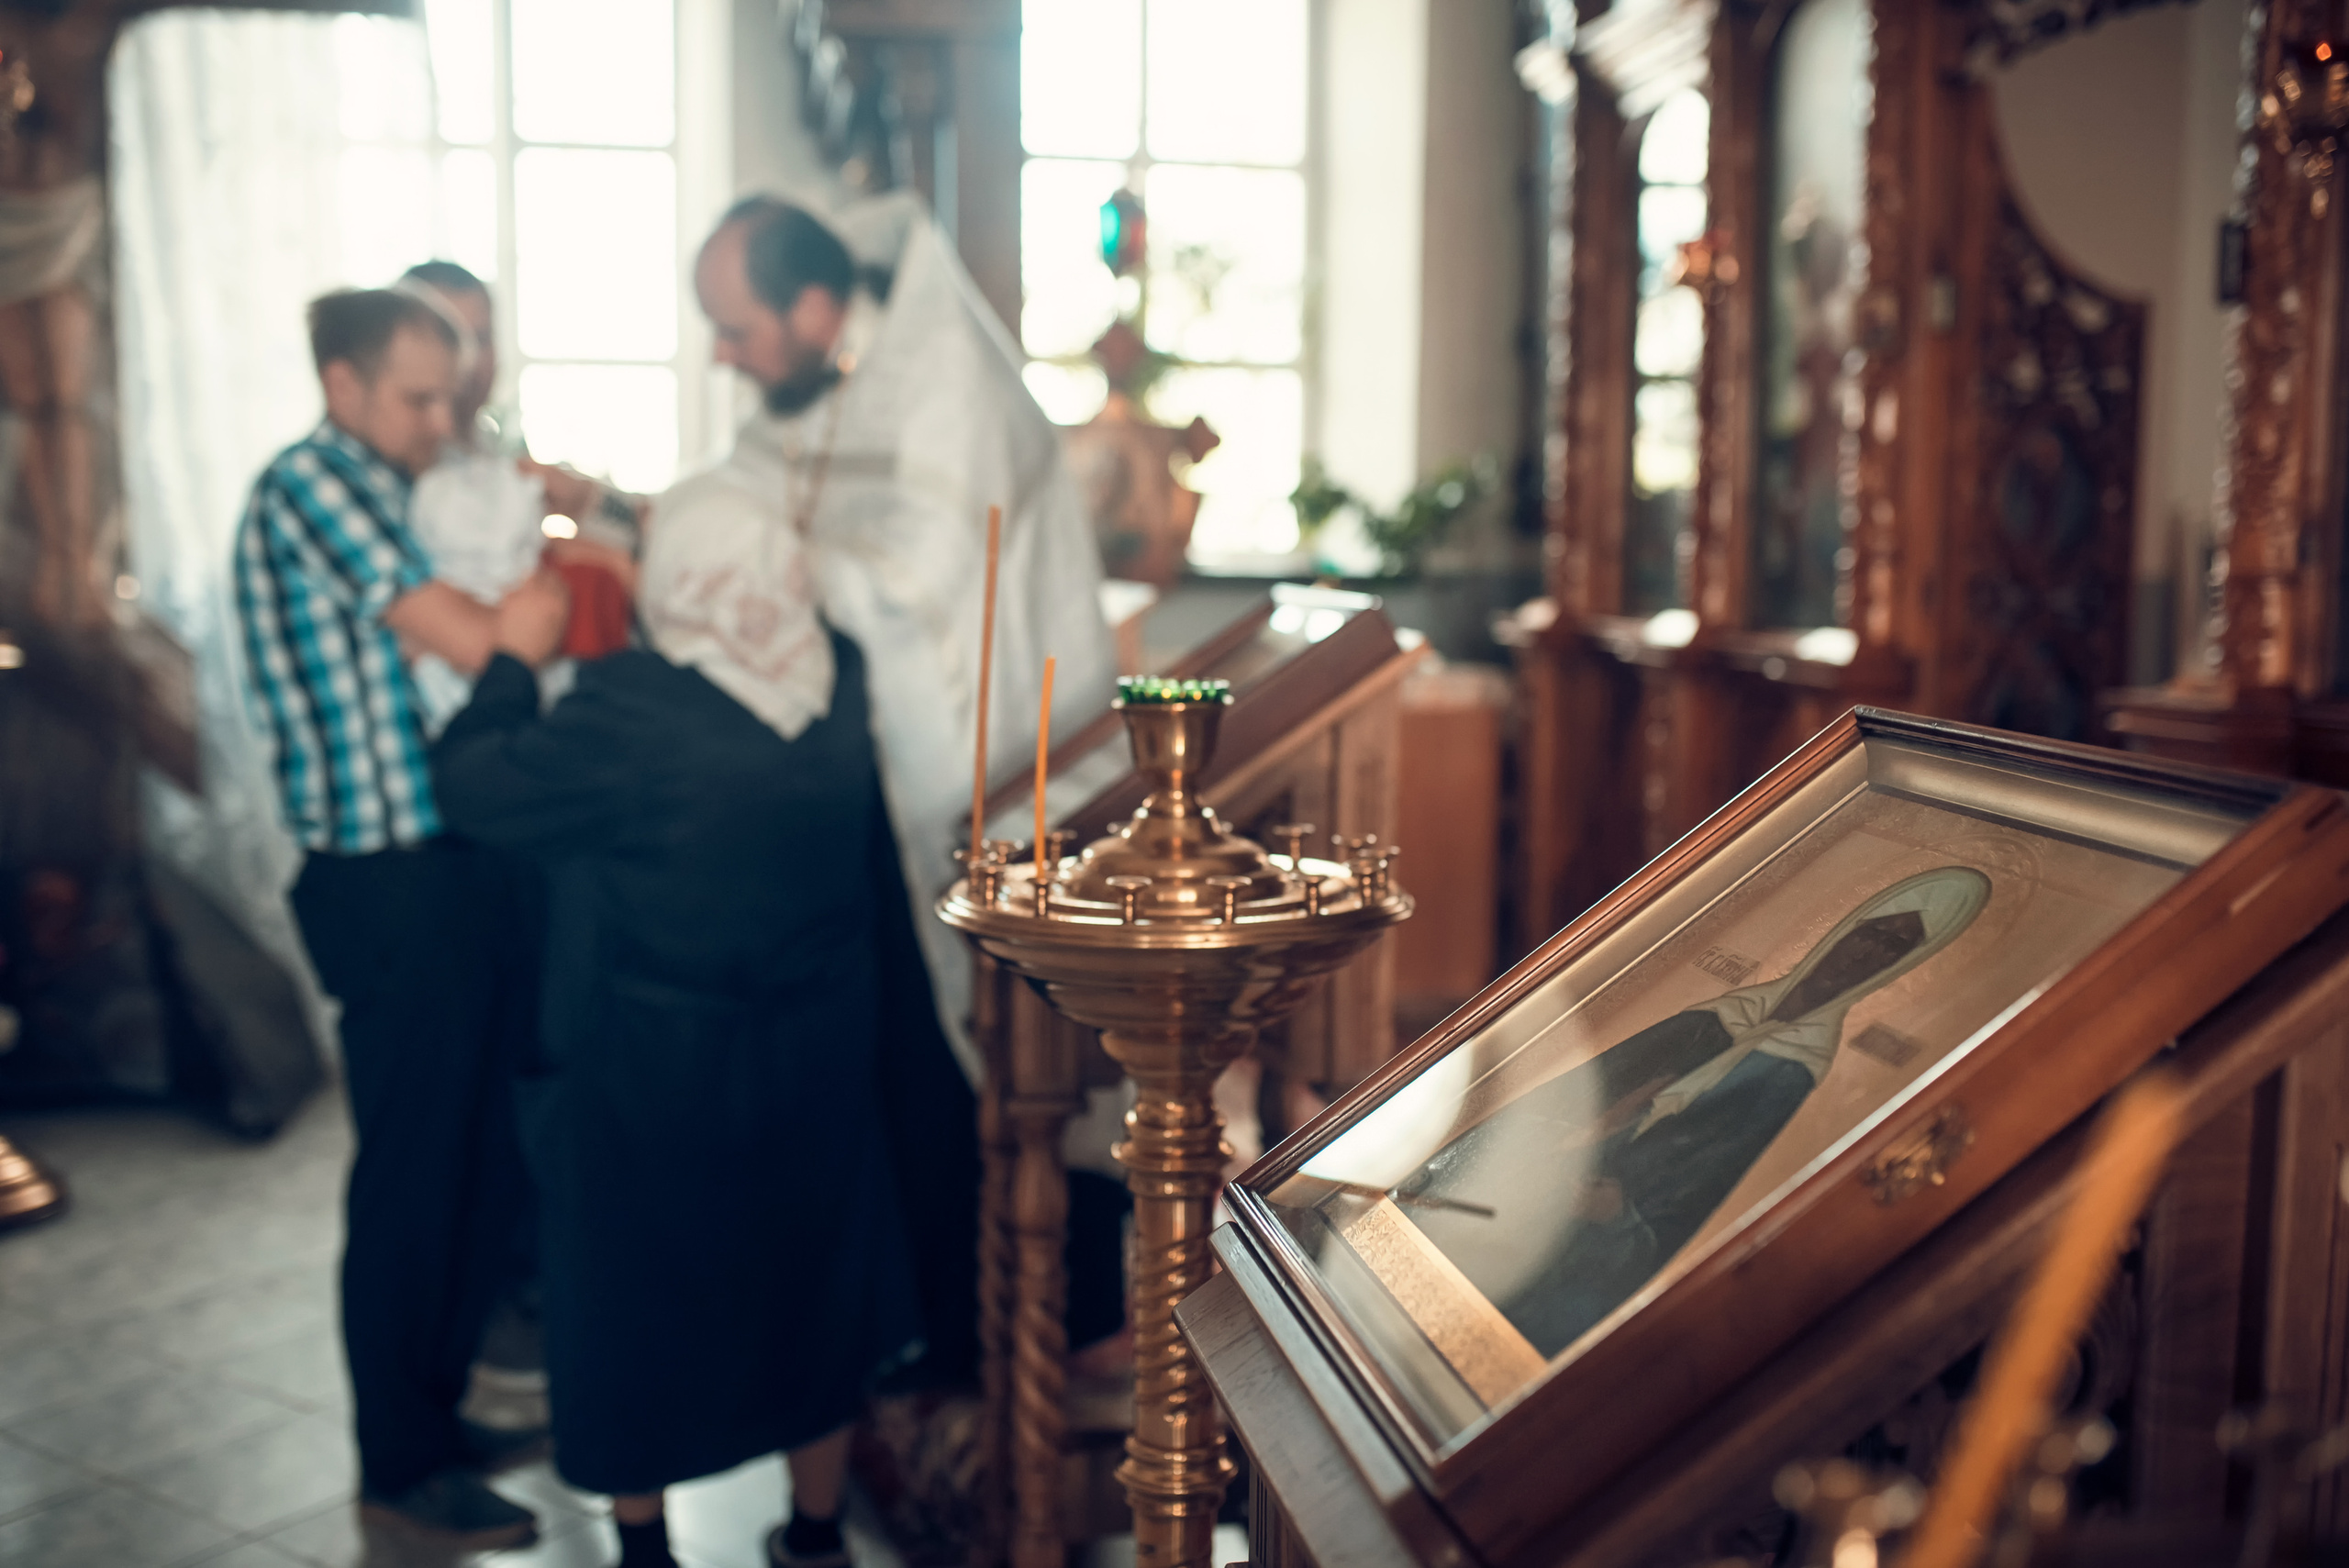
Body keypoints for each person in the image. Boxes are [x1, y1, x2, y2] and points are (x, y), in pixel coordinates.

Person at [429, 429, 924, 1568]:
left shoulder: (632, 713)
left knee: (630, 1304)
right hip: (813, 1055)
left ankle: (646, 1548)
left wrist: (508, 661)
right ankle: (811, 1532)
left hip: (649, 1072)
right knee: (809, 1288)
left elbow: (476, 790)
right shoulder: (835, 675)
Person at [674, 196, 1118, 1390]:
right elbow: (754, 503)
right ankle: (925, 1321)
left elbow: (921, 588)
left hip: (998, 777)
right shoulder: (819, 382)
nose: (724, 353)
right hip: (871, 787)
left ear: (813, 309)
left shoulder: (940, 387)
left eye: (735, 328)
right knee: (895, 1063)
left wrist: (763, 565)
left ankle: (1030, 1327)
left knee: (973, 1067)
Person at [230, 286, 569, 1550]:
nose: (443, 419)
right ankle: (400, 1455)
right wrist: (524, 628)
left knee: (479, 1161)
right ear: (345, 385)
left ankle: (435, 1418)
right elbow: (484, 638)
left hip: (447, 865)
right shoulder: (316, 486)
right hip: (385, 881)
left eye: (450, 392)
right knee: (414, 1178)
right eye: (419, 397)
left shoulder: (388, 482)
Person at [1391, 866, 1991, 1355]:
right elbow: (1559, 1098)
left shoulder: (1788, 1076)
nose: (1867, 951)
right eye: (1871, 930)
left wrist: (1616, 1212)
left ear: (1906, 964)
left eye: (1895, 946)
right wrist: (1575, 1132)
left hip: (1565, 1286)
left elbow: (1688, 1226)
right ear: (1845, 928)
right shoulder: (1710, 1018)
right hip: (1482, 1222)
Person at [395, 259, 639, 736]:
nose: (470, 360)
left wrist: (584, 503)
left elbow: (626, 527)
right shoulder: (394, 477)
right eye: (452, 338)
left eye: (482, 338)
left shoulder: (494, 450)